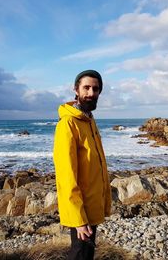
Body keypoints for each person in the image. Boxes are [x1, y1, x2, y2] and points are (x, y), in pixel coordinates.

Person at [53, 70, 112, 260]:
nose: (91, 93)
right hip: (81, 210)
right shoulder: (68, 123)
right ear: (76, 89)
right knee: (79, 255)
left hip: (92, 206)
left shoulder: (88, 120)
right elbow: (66, 174)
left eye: (95, 89)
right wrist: (78, 219)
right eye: (86, 87)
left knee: (87, 254)